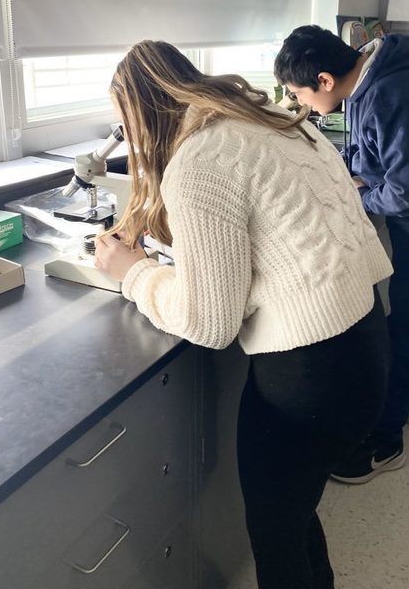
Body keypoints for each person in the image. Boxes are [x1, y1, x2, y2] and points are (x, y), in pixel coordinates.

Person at [93, 40, 393, 588]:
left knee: (277, 540)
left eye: (126, 126)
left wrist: (132, 274)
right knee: (294, 512)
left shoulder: (200, 161)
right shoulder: (274, 118)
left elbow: (209, 322)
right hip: (366, 343)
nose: (129, 142)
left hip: (309, 375)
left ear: (145, 112)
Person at [274, 25, 409, 484]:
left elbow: (406, 195)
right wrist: (354, 177)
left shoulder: (393, 94)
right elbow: (374, 154)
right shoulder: (369, 81)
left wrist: (355, 197)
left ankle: (385, 441)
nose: (301, 103)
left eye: (299, 93)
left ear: (325, 80)